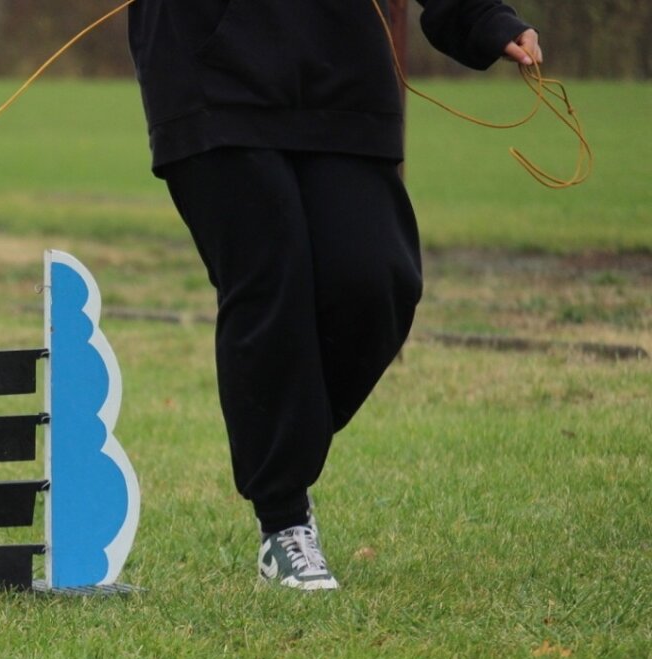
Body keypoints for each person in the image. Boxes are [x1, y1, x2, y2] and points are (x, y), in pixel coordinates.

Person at [126, 0, 542, 590]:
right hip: (206, 63)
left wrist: (478, 17)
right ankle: (283, 521)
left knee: (377, 279)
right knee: (269, 282)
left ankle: (279, 433)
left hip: (340, 65)